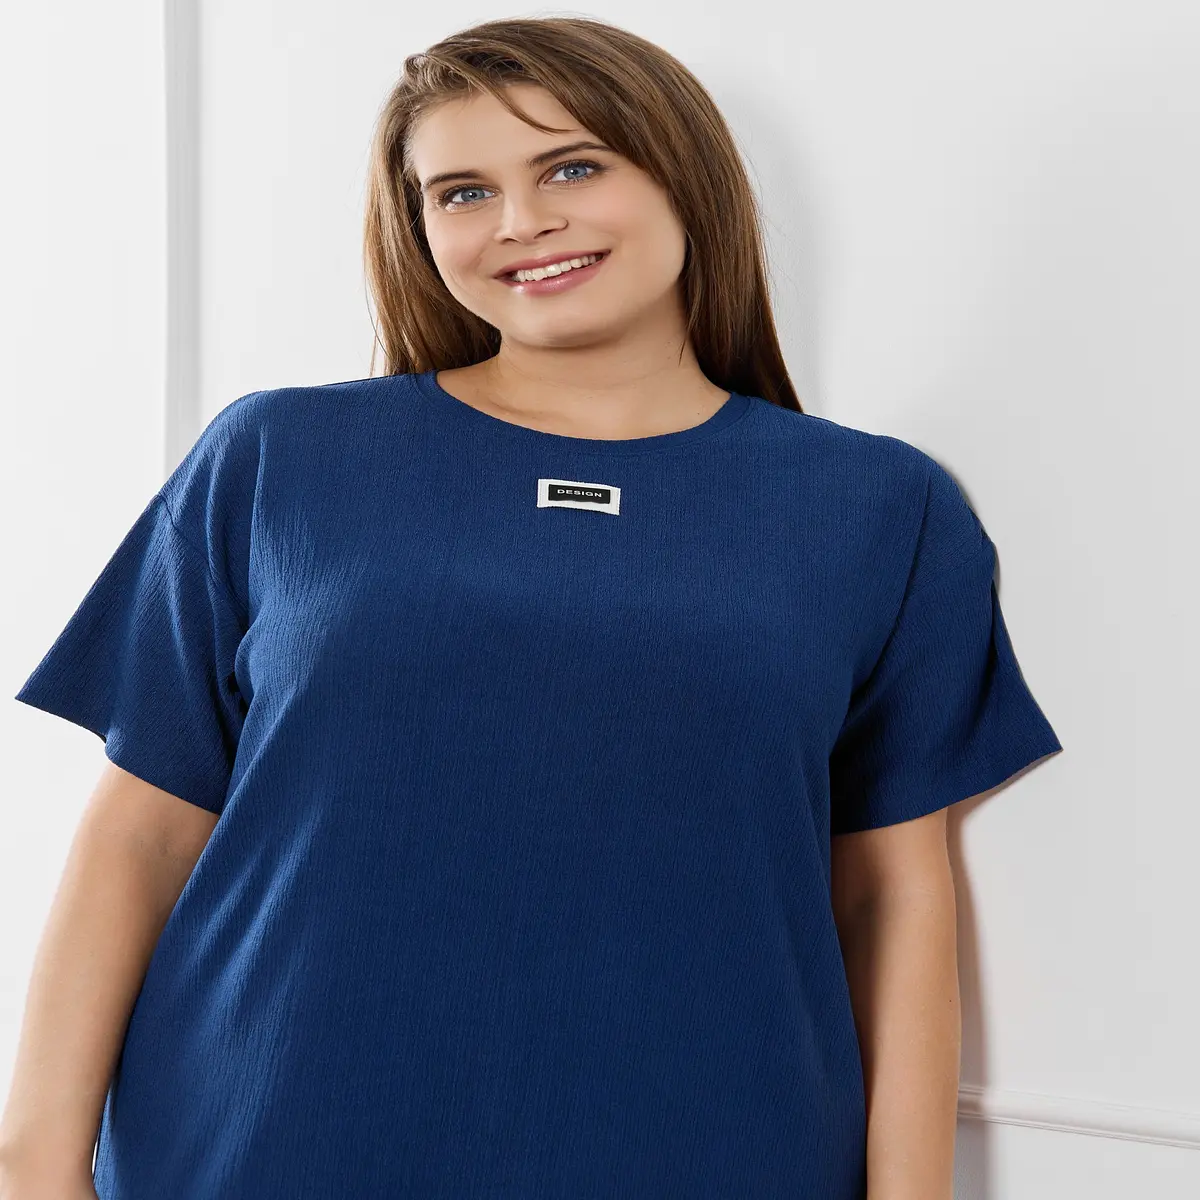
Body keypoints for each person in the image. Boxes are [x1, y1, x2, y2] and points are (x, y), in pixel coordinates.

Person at [0, 15, 1063, 1200]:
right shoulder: (279, 459)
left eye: (571, 167)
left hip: (709, 1151)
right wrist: (34, 1164)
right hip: (255, 1146)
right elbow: (142, 834)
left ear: (683, 175)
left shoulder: (879, 507)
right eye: (461, 192)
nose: (519, 221)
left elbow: (892, 893)